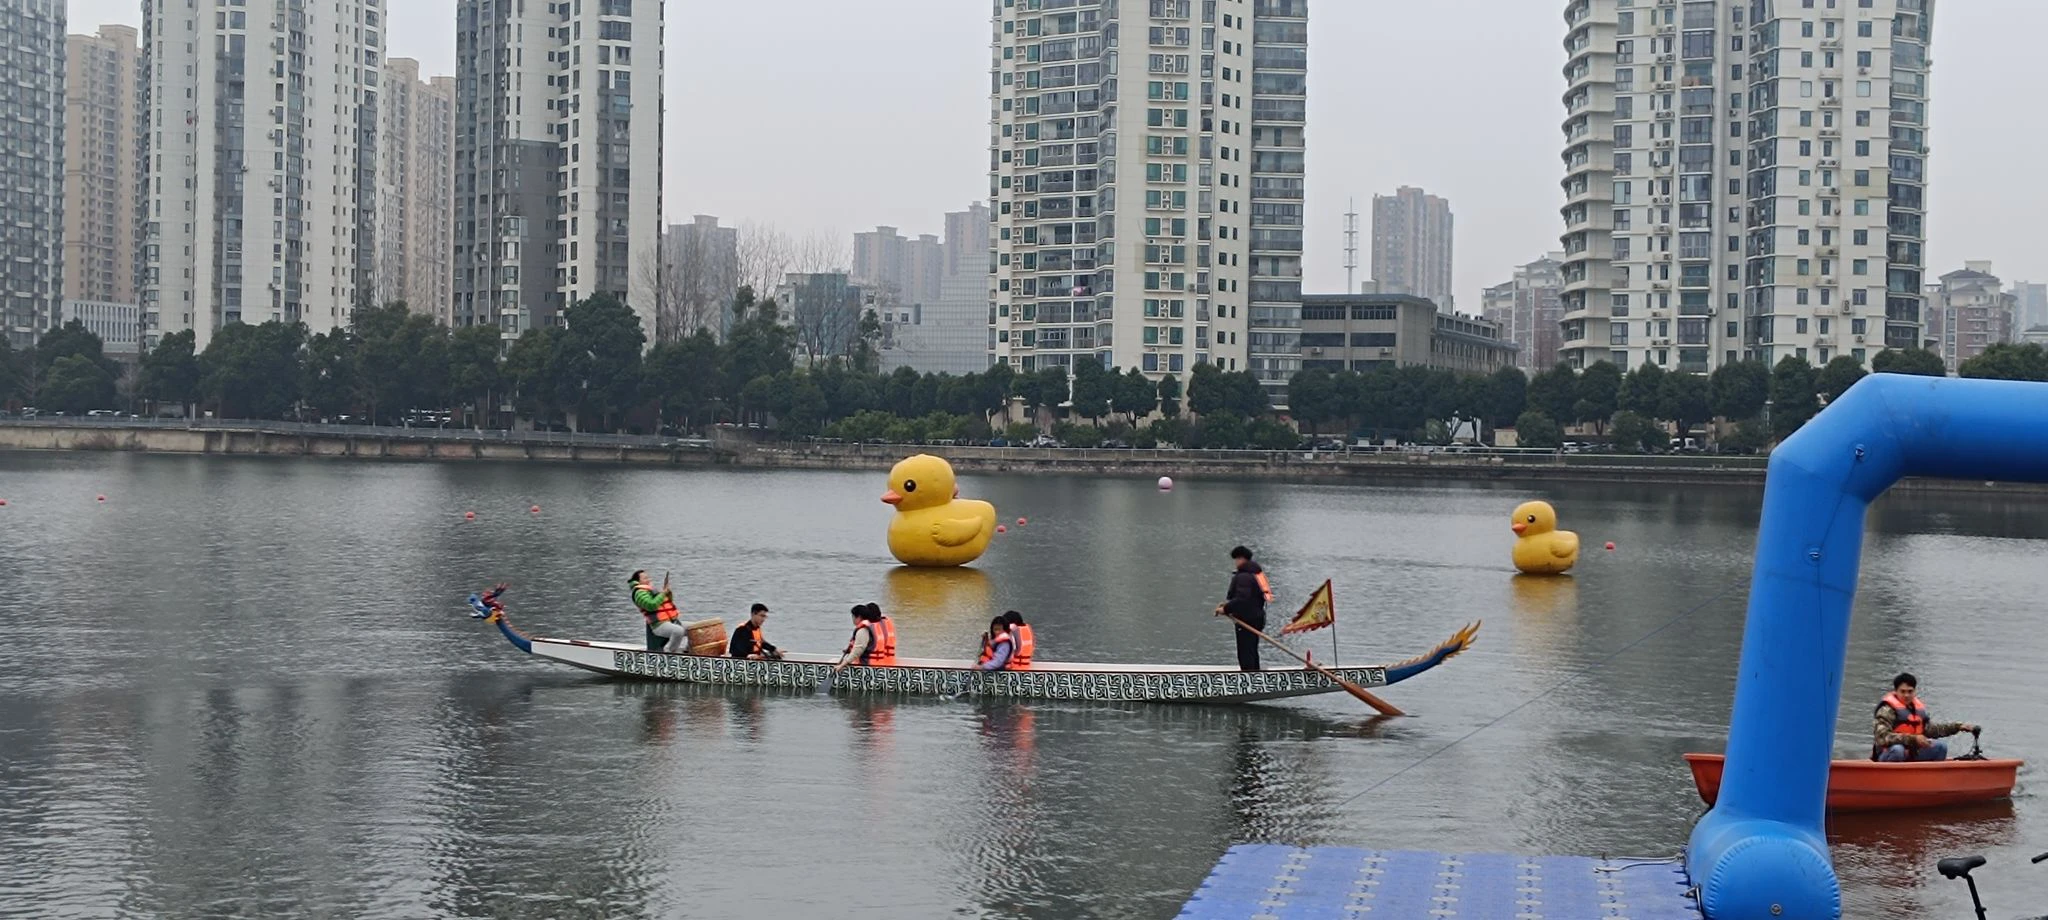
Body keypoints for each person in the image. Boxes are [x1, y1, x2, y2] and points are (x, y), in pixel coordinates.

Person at [1872, 672, 1978, 762]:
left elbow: (1932, 730)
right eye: (1902, 691)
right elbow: (1882, 737)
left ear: (1914, 691)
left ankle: (1930, 780)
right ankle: (1892, 781)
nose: (1906, 695)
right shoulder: (1887, 710)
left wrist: (1957, 727)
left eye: (1910, 691)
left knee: (1941, 747)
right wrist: (1913, 739)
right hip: (1888, 753)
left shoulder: (1916, 709)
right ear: (1896, 691)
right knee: (1897, 750)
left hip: (1912, 753)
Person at [1213, 545, 1272, 671]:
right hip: (1257, 617)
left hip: (1247, 620)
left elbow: (1242, 600)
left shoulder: (1243, 576)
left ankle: (1249, 676)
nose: (1235, 563)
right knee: (1252, 649)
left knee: (1245, 651)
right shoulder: (1256, 574)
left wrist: (1225, 609)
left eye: (1236, 559)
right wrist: (1228, 605)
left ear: (1241, 559)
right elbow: (1250, 599)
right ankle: (1255, 672)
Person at [630, 570, 688, 653]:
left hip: (670, 621)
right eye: (645, 578)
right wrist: (663, 594)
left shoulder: (651, 590)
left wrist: (667, 593)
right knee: (678, 631)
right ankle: (668, 651)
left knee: (694, 628)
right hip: (658, 625)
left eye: (648, 577)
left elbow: (666, 603)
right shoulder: (639, 593)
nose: (648, 579)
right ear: (638, 581)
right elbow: (651, 605)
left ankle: (689, 650)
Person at [836, 603, 896, 670]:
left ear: (858, 617)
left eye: (853, 616)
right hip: (885, 665)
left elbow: (858, 650)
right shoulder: (882, 626)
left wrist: (842, 665)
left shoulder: (864, 630)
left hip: (868, 669)